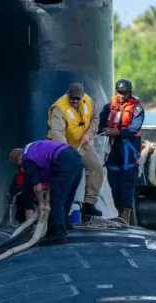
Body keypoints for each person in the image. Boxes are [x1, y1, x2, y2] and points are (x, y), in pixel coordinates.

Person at [8, 140, 83, 244]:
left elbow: (38, 187)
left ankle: (58, 233)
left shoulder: (27, 158)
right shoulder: (36, 151)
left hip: (64, 159)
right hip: (75, 156)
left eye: (19, 165)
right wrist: (46, 199)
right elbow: (51, 182)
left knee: (56, 199)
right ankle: (65, 222)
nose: (21, 168)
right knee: (67, 195)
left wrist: (41, 204)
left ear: (20, 159)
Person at [48, 82, 103, 218]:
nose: (75, 101)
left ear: (82, 96)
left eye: (77, 99)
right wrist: (68, 154)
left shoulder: (89, 101)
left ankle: (89, 204)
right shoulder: (59, 108)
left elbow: (95, 119)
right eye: (72, 98)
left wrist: (88, 134)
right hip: (64, 147)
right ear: (67, 94)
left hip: (82, 143)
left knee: (97, 167)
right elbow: (57, 134)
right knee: (69, 175)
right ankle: (62, 211)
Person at [98, 78, 145, 225]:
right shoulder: (109, 107)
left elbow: (134, 127)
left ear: (129, 93)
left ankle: (125, 217)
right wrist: (104, 130)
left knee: (127, 184)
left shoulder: (137, 110)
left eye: (124, 93)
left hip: (129, 151)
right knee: (113, 182)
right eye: (119, 92)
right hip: (113, 150)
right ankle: (118, 214)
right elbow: (99, 123)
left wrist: (118, 132)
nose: (121, 95)